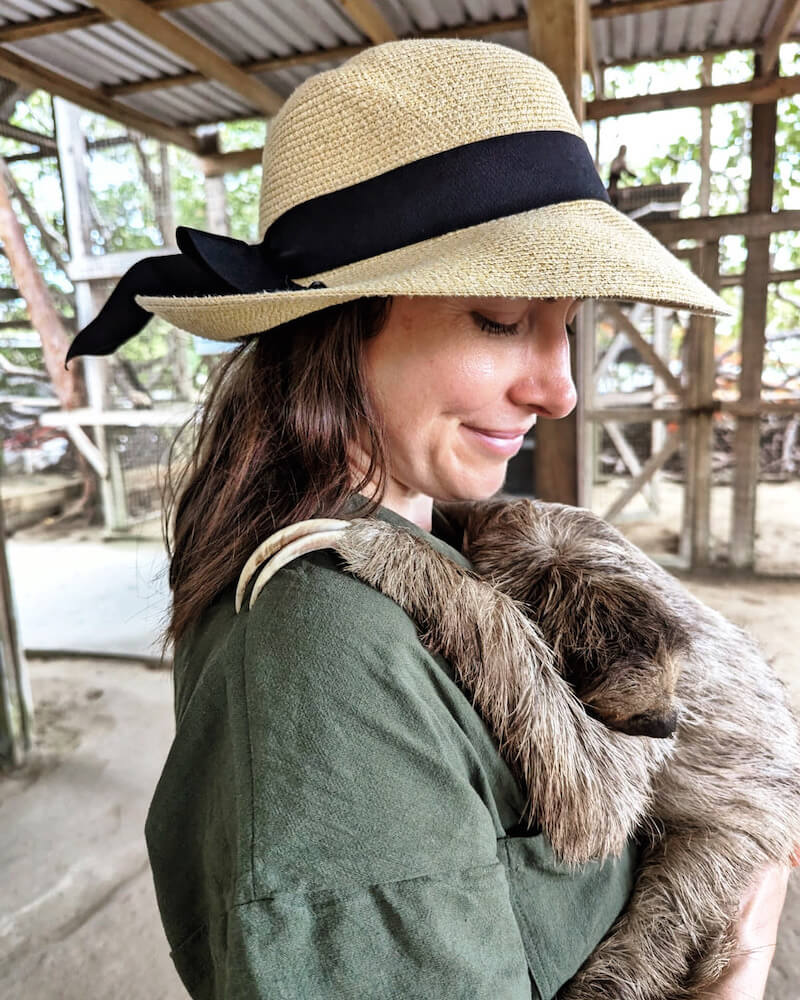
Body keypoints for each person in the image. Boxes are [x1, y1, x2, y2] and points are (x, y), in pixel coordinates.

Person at [65, 38, 793, 1000]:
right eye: (498, 320)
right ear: (338, 325)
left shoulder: (463, 538)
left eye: (563, 325)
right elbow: (600, 807)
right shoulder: (323, 647)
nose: (560, 390)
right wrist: (738, 958)